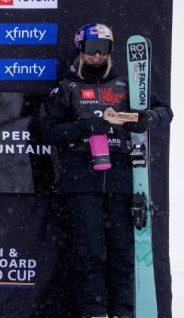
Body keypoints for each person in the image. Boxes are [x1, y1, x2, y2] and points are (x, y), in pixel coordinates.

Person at [39, 23, 173, 318]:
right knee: (90, 252)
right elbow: (47, 131)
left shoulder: (126, 86)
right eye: (91, 49)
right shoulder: (68, 88)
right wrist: (86, 127)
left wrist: (147, 118)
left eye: (103, 49)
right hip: (81, 178)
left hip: (122, 178)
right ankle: (94, 312)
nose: (97, 56)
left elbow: (166, 112)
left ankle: (125, 312)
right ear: (81, 51)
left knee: (124, 253)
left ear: (111, 52)